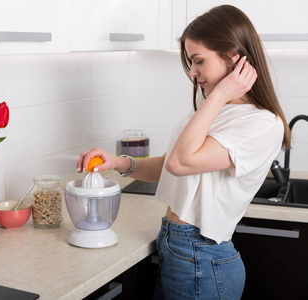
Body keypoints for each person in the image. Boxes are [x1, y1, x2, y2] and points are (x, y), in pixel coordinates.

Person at [76, 5, 291, 300]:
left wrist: (218, 95)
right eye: (191, 62)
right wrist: (119, 162)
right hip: (178, 247)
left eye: (198, 61)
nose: (192, 72)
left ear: (234, 56)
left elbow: (180, 163)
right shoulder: (216, 107)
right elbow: (170, 164)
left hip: (202, 256)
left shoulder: (262, 123)